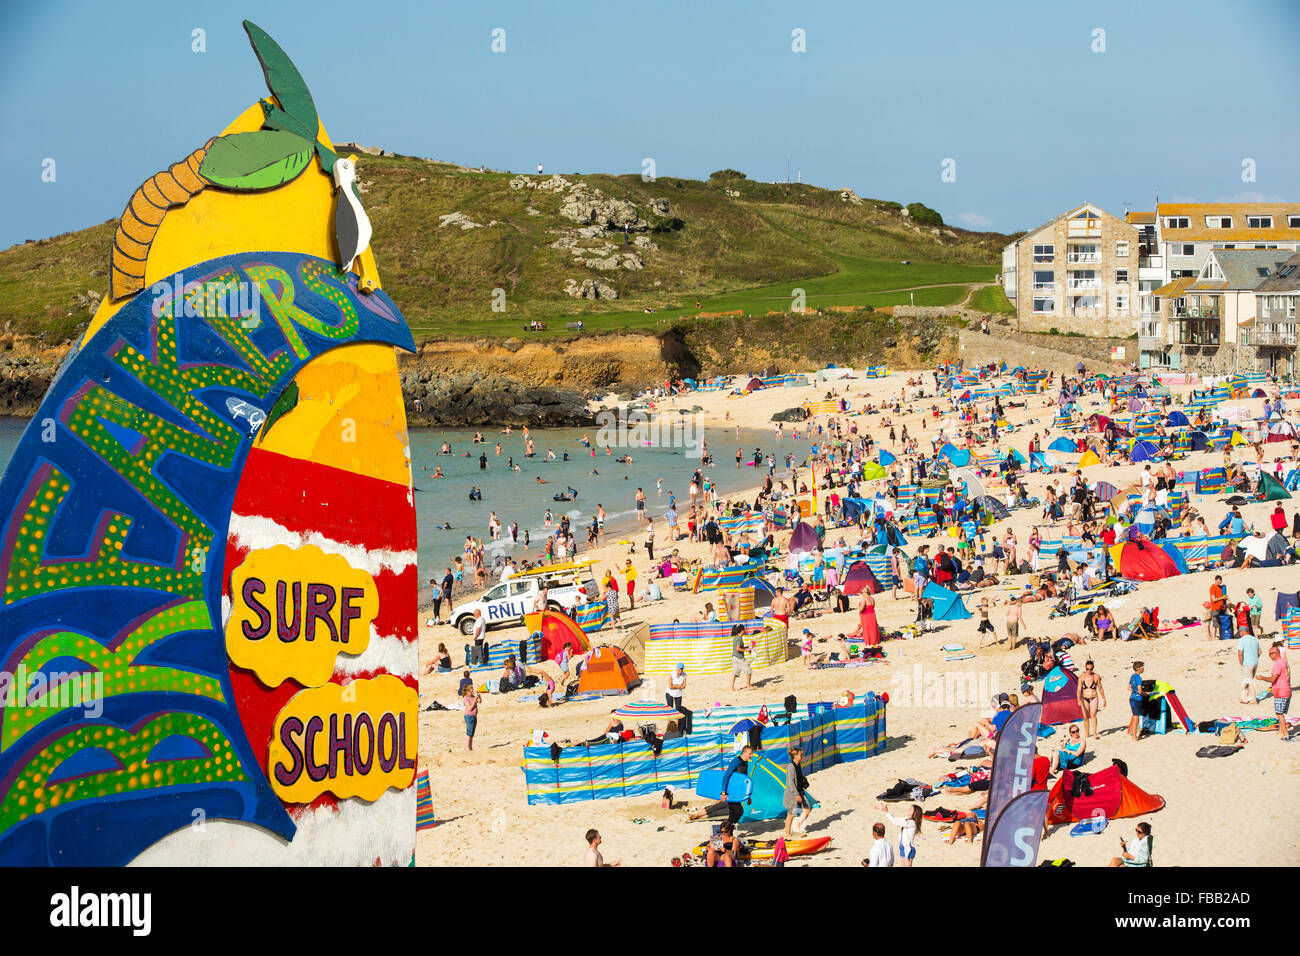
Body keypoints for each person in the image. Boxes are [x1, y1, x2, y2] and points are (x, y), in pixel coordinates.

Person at [1255, 643, 1292, 740]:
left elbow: (1273, 679)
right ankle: (1281, 732)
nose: (1269, 656)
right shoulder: (1284, 662)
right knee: (1279, 713)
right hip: (1285, 689)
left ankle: (1285, 733)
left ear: (1275, 653)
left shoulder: (1278, 663)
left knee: (1280, 714)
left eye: (1270, 654)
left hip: (1281, 691)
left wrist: (1261, 678)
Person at [875, 802, 922, 866]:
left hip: (908, 849)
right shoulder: (907, 819)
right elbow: (895, 819)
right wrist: (885, 811)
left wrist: (886, 812)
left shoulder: (912, 822)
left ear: (915, 813)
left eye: (911, 809)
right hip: (902, 848)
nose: (908, 810)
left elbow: (895, 822)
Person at [783, 747, 813, 838]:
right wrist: (796, 795)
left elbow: (798, 778)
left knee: (807, 809)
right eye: (800, 755)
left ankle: (797, 826)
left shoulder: (798, 765)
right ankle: (788, 834)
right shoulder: (790, 767)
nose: (802, 756)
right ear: (795, 756)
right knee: (791, 814)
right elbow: (790, 782)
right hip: (792, 794)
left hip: (801, 791)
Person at [1077, 660, 1106, 740]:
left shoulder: (1096, 677)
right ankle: (1087, 733)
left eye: (1090, 669)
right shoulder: (1081, 677)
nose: (1089, 671)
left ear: (1093, 668)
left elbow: (1100, 688)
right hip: (1084, 698)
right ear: (1085, 668)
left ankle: (1094, 733)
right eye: (1087, 669)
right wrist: (1078, 699)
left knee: (1093, 715)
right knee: (1085, 717)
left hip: (1094, 697)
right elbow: (1079, 690)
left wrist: (1104, 699)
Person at [1127, 661, 1147, 743]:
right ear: (1139, 669)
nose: (1143, 668)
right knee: (1136, 718)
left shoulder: (1132, 676)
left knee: (1135, 716)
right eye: (1142, 667)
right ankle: (1134, 737)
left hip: (1132, 698)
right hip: (1137, 699)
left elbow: (1129, 687)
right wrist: (1145, 694)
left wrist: (1133, 691)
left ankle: (1134, 735)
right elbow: (1139, 691)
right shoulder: (1138, 677)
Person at [730, 623, 753, 691]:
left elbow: (739, 647)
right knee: (749, 671)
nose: (745, 631)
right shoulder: (739, 638)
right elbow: (738, 649)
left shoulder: (736, 637)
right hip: (739, 658)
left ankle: (732, 687)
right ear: (742, 630)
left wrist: (746, 647)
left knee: (735, 673)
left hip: (734, 657)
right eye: (744, 629)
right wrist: (746, 649)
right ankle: (749, 686)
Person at [462, 682, 481, 751]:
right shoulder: (465, 698)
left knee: (472, 732)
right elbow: (470, 708)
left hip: (474, 716)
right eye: (471, 691)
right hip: (469, 716)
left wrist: (478, 696)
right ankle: (467, 747)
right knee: (469, 732)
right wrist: (474, 700)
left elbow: (480, 701)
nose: (472, 692)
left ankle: (470, 747)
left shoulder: (473, 697)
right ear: (467, 691)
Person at [1207, 575, 1227, 642]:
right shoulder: (1212, 587)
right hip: (1215, 608)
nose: (1219, 583)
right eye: (1218, 582)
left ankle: (1221, 635)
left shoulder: (1220, 587)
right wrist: (1222, 598)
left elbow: (1224, 596)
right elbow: (1213, 599)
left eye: (1220, 582)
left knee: (1221, 623)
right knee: (1215, 623)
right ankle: (1213, 637)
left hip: (1222, 607)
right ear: (1215, 580)